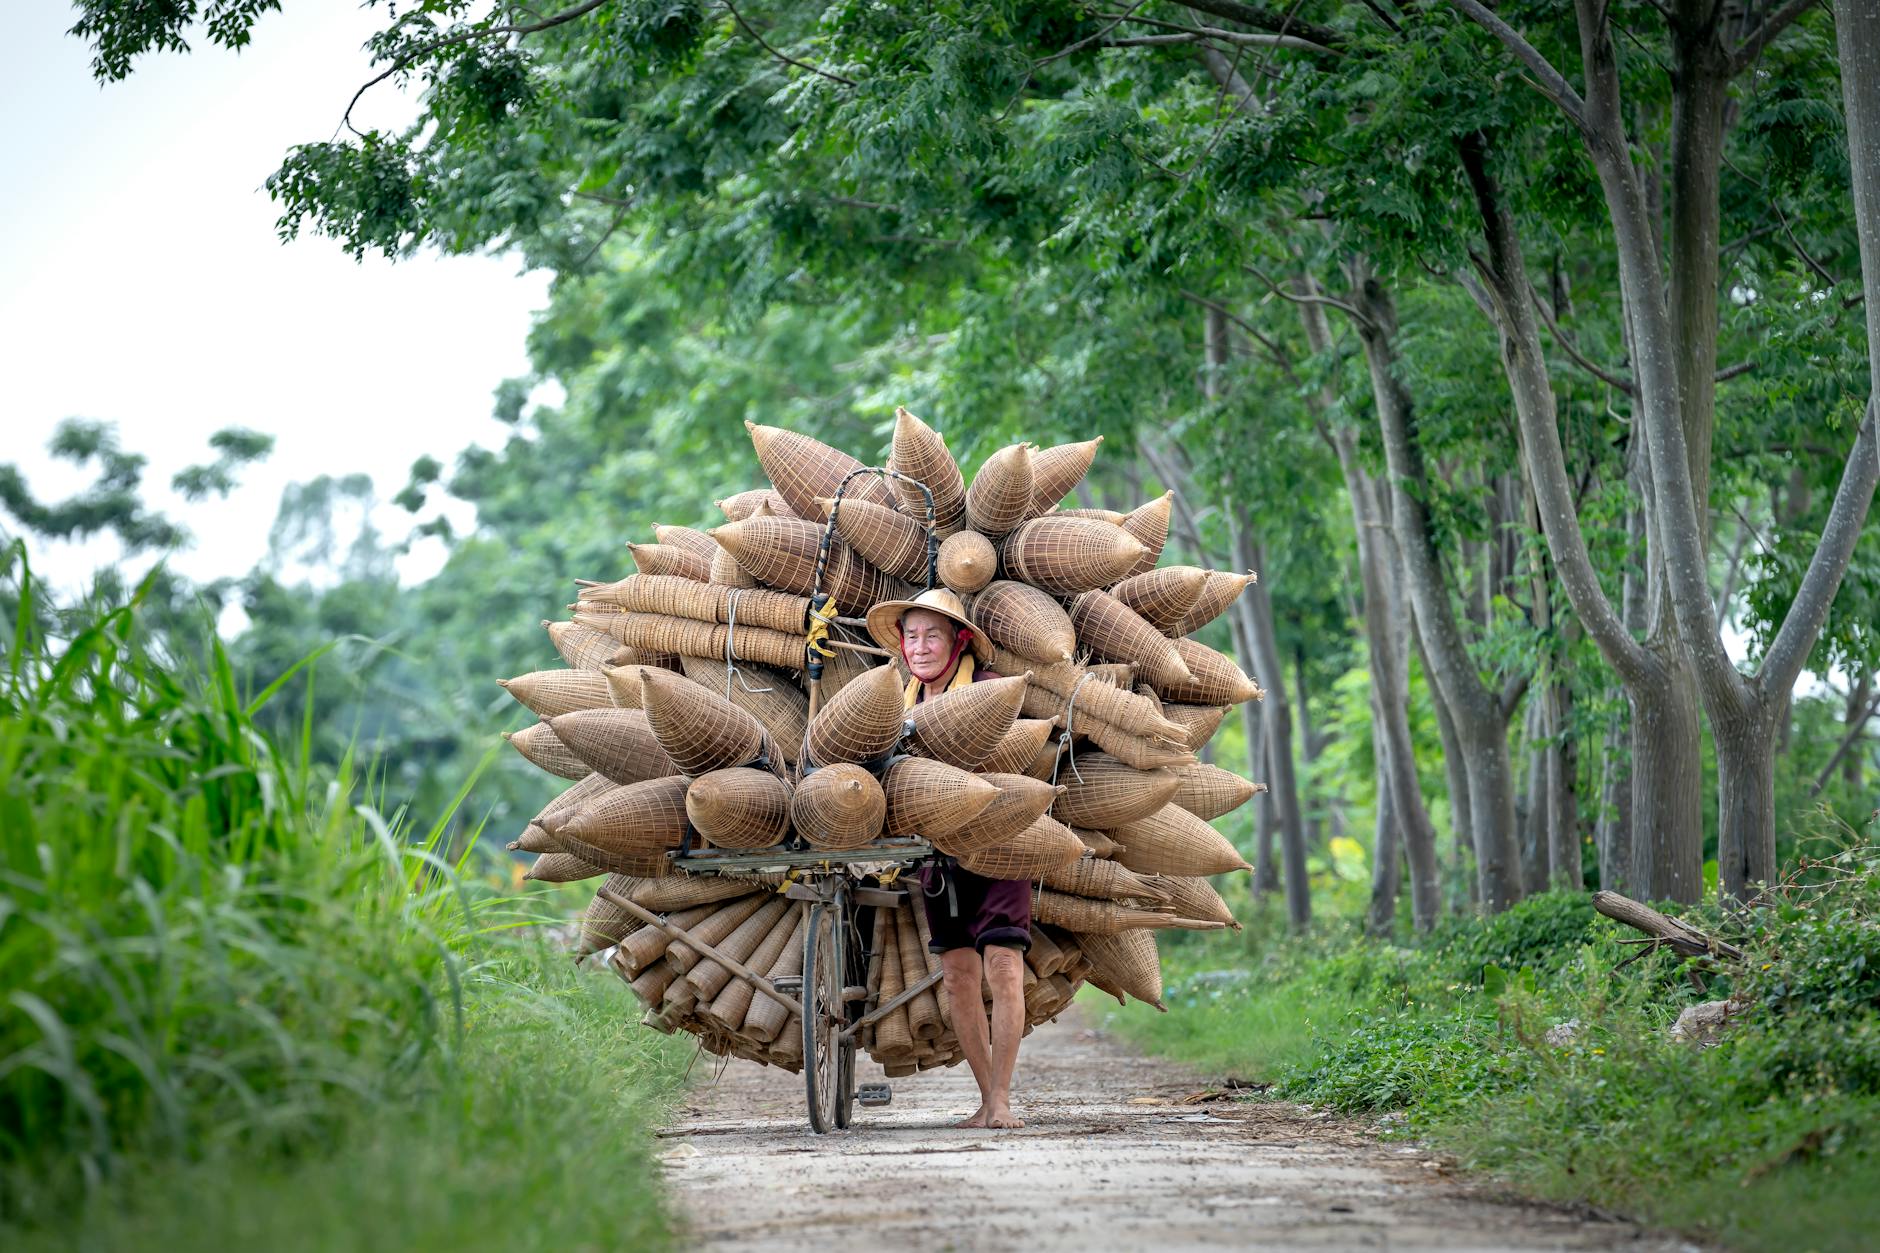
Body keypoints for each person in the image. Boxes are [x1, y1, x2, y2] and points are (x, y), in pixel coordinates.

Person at [866, 588, 1031, 1129]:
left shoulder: (987, 691)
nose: (920, 647)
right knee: (959, 974)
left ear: (959, 641)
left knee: (1003, 964)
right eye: (910, 636)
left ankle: (1003, 1098)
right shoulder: (895, 700)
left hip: (998, 842)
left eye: (932, 636)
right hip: (934, 856)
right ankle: (985, 1098)